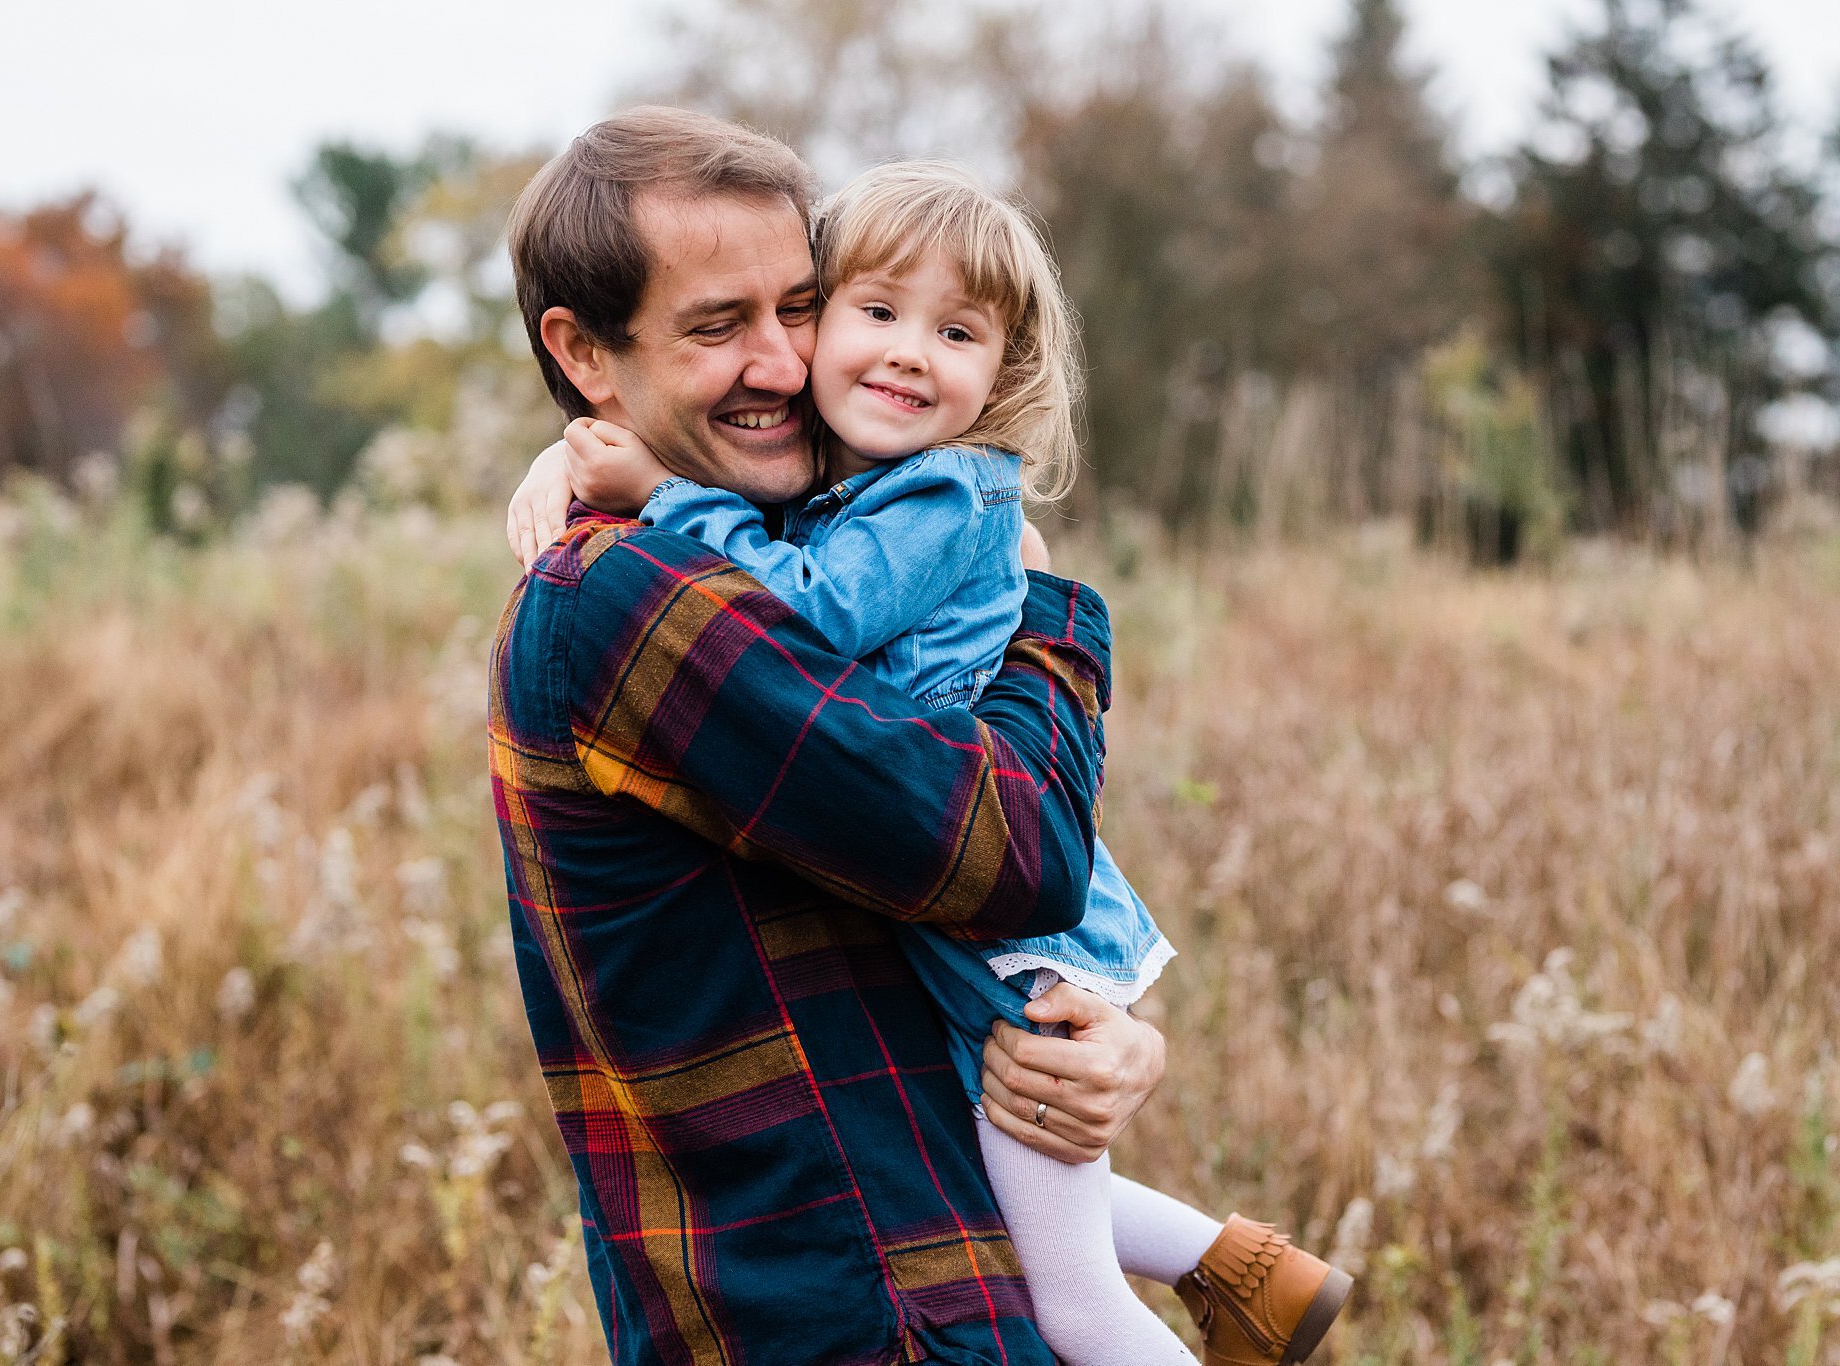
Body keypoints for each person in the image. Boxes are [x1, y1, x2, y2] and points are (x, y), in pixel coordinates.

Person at [508, 159, 1351, 1366]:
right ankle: (1232, 1265)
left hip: (923, 1208)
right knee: (1080, 1300)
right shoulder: (635, 595)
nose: (783, 361)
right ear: (585, 355)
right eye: (717, 325)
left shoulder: (876, 506)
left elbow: (995, 853)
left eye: (794, 310)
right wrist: (1043, 608)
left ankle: (1235, 1268)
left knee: (1058, 1255)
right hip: (844, 1294)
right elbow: (1010, 851)